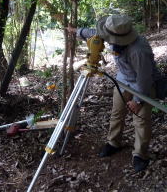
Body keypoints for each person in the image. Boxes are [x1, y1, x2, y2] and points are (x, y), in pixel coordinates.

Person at [68, 14, 160, 172]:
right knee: (117, 113)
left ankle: (140, 154)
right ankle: (113, 143)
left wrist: (137, 101)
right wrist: (76, 30)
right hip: (123, 81)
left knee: (141, 120)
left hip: (142, 85)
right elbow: (94, 34)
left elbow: (144, 78)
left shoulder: (138, 50)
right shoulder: (112, 34)